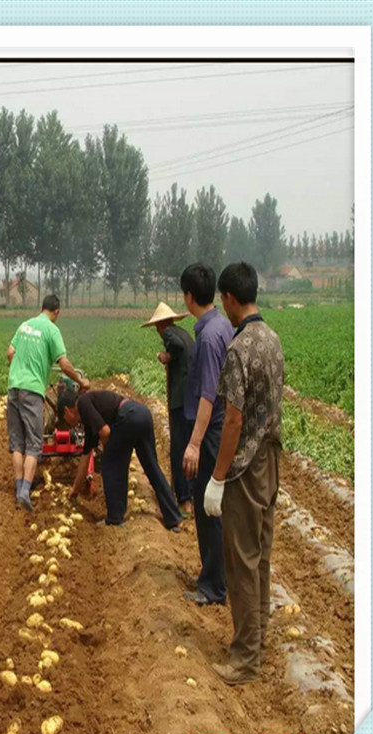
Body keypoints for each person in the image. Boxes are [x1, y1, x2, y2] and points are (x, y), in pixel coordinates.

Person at [203, 262, 285, 686]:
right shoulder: (271, 339)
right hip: (272, 460)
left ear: (231, 299)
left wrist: (217, 478)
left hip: (247, 465)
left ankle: (244, 659)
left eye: (223, 300)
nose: (223, 306)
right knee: (262, 557)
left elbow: (232, 421)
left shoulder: (239, 349)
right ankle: (258, 642)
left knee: (242, 562)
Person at [180, 263, 234, 607]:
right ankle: (214, 578)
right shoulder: (220, 326)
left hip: (211, 433)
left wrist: (195, 442)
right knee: (211, 507)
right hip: (216, 430)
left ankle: (214, 585)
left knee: (208, 508)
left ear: (188, 296)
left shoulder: (211, 336)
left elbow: (208, 394)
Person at [7, 294, 89, 511]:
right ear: (57, 312)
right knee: (35, 444)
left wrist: (21, 370)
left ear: (41, 307)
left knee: (17, 443)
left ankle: (18, 488)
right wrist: (80, 380)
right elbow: (63, 364)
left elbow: (10, 353)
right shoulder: (52, 330)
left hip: (14, 386)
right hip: (32, 389)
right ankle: (25, 492)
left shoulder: (25, 326)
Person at [60, 388, 182, 530]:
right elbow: (86, 456)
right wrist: (75, 489)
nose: (68, 424)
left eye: (65, 419)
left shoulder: (83, 403)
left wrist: (109, 451)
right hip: (142, 414)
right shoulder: (88, 419)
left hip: (128, 418)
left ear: (67, 411)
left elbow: (105, 431)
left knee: (109, 465)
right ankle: (174, 518)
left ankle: (114, 518)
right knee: (152, 467)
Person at [141, 301, 195, 513]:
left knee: (178, 448)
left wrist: (165, 356)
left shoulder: (170, 334)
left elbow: (176, 348)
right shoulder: (184, 332)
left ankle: (183, 499)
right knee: (190, 446)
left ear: (160, 325)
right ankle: (190, 493)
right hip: (191, 398)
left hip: (180, 399)